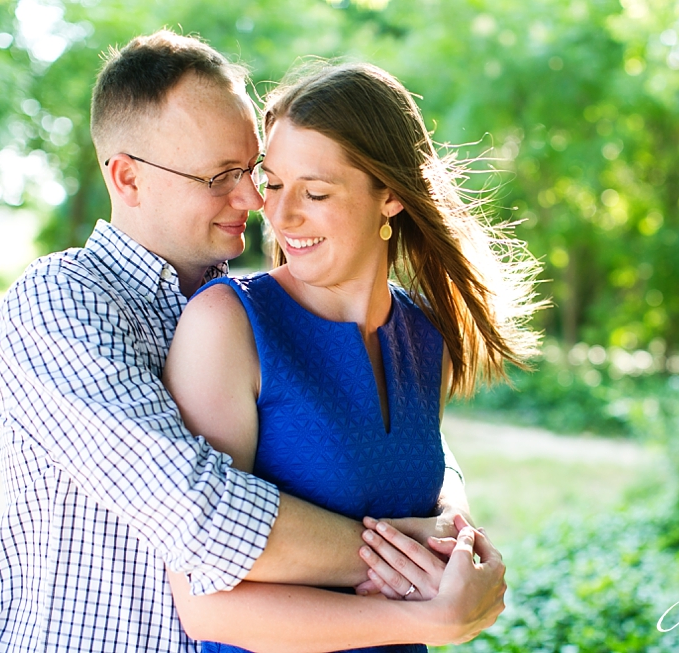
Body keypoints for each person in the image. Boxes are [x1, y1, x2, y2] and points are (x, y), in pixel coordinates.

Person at [0, 31, 505, 653]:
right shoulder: (62, 303)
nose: (256, 201)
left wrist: (453, 523)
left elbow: (385, 443)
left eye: (253, 171)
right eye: (221, 175)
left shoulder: (269, 307)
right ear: (128, 178)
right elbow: (198, 511)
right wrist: (418, 558)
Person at [160, 61, 543, 652]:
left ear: (390, 195)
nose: (281, 215)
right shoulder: (228, 324)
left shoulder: (427, 336)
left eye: (315, 192)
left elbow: (423, 474)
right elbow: (205, 606)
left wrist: (456, 531)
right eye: (274, 184)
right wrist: (429, 620)